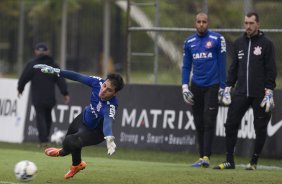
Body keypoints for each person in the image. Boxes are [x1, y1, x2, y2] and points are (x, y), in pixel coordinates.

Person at [33, 64, 124, 179]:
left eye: (109, 90)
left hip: (95, 132)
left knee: (70, 141)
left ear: (115, 93)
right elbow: (77, 76)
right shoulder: (97, 82)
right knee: (71, 139)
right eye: (105, 85)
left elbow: (108, 121)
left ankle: (62, 153)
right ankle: (77, 165)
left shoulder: (111, 106)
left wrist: (109, 137)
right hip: (83, 118)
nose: (103, 90)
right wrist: (56, 71)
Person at [213, 12, 277, 170]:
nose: (248, 26)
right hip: (241, 92)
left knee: (260, 127)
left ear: (258, 24)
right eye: (246, 23)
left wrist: (269, 90)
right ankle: (229, 161)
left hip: (260, 94)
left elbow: (271, 70)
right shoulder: (238, 43)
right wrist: (228, 86)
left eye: (251, 23)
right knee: (230, 124)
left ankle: (254, 162)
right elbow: (234, 67)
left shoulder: (266, 44)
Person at [181, 12, 227, 168]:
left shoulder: (217, 39)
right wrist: (185, 87)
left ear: (208, 23)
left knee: (209, 121)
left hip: (212, 86)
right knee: (198, 122)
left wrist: (223, 87)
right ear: (195, 23)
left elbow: (222, 64)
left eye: (204, 22)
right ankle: (201, 157)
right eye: (199, 21)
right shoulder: (189, 42)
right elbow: (186, 66)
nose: (201, 24)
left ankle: (207, 156)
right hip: (196, 86)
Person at [17, 42, 70, 147]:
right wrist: (65, 93)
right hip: (50, 97)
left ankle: (43, 141)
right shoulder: (53, 64)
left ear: (36, 52)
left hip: (38, 97)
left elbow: (24, 78)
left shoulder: (33, 64)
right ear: (47, 52)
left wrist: (20, 89)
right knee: (48, 117)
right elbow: (60, 79)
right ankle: (45, 139)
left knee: (40, 117)